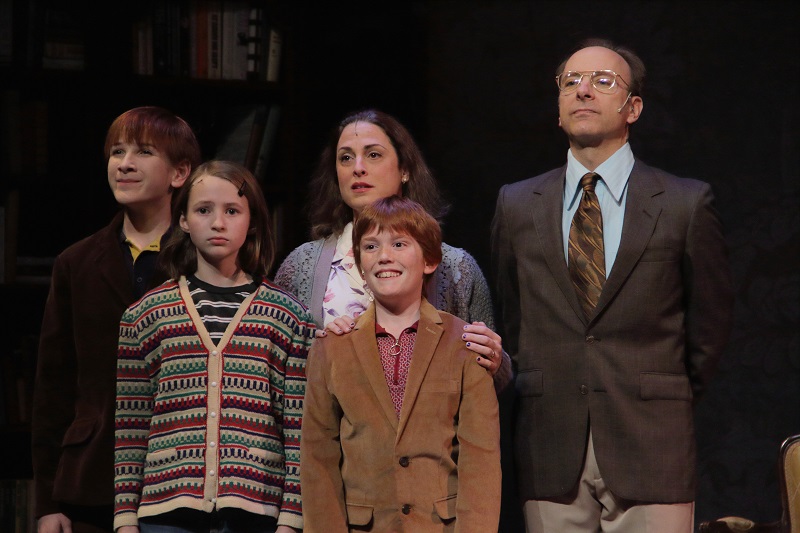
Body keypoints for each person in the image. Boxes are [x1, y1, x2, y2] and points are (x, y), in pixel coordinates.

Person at [491, 38, 734, 532]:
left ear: (633, 108)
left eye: (603, 82)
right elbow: (510, 315)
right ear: (558, 107)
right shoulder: (516, 205)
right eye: (571, 83)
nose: (584, 91)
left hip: (652, 446)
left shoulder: (684, 203)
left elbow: (708, 330)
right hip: (549, 443)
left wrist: (658, 395)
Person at [112, 161, 315, 533]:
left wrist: (291, 519)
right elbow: (132, 422)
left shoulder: (288, 317)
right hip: (165, 512)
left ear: (251, 221)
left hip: (256, 511)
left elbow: (298, 430)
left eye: (232, 211)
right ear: (184, 220)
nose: (218, 222)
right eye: (203, 210)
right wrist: (125, 518)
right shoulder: (146, 314)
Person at [31, 106, 202, 533]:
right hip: (93, 478)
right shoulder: (77, 261)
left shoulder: (205, 257)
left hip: (186, 473)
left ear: (179, 173)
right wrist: (47, 501)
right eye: (117, 152)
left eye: (143, 152)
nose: (124, 163)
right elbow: (54, 385)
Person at [300, 195, 501, 532]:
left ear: (430, 259)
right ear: (360, 265)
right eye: (371, 247)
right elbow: (318, 460)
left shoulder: (463, 345)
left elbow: (480, 460)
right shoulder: (331, 348)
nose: (384, 257)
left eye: (398, 243)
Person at [273, 108, 512, 391]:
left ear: (405, 170)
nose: (357, 167)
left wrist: (496, 362)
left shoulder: (455, 267)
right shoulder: (302, 265)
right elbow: (280, 370)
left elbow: (492, 376)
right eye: (345, 157)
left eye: (373, 155)